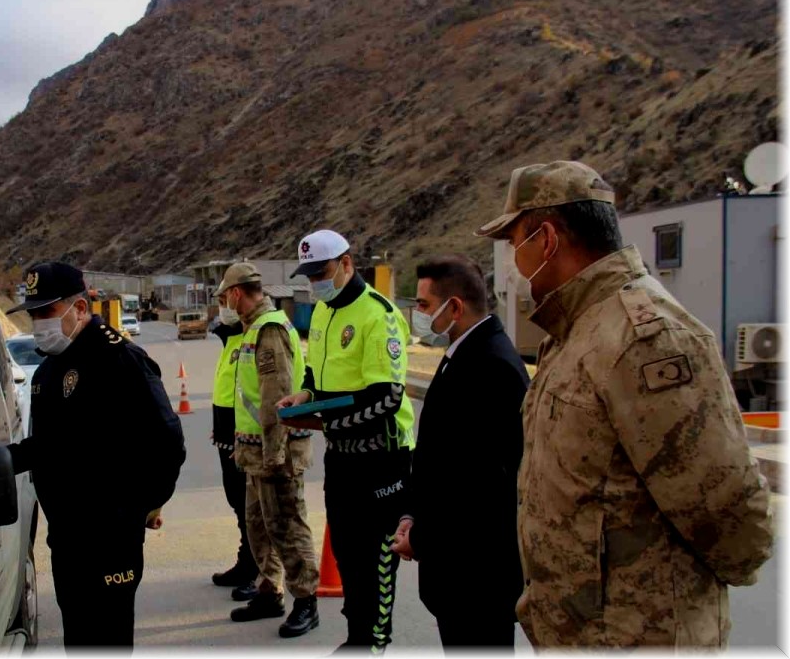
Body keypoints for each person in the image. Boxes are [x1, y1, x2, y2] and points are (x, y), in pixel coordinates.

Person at [475, 160, 774, 647]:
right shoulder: (574, 332)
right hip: (581, 633)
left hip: (637, 635)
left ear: (546, 240)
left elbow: (728, 510)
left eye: (515, 243)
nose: (514, 260)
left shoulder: (643, 339)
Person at [4, 262, 185, 649]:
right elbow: (49, 445)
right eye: (33, 314)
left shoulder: (120, 361)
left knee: (107, 640)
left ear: (81, 309)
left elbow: (167, 441)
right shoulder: (49, 371)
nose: (38, 324)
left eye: (46, 313)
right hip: (67, 538)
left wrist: (146, 505)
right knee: (80, 639)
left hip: (110, 539)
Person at [277, 230, 415, 654]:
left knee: (376, 560)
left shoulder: (379, 315)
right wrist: (304, 396)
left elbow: (386, 398)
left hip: (381, 459)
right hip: (342, 460)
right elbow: (318, 377)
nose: (315, 282)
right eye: (309, 275)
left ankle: (374, 642)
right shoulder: (321, 313)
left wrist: (329, 425)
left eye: (322, 272)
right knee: (349, 554)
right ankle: (356, 637)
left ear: (347, 264)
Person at [391, 255, 529, 651]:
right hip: (456, 567)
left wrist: (424, 537)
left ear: (454, 307)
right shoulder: (464, 352)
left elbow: (480, 484)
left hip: (477, 572)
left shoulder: (493, 365)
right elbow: (439, 457)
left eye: (423, 305)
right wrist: (411, 513)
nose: (418, 315)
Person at [218, 262, 320, 638]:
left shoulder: (269, 329)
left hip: (275, 453)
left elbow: (275, 396)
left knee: (287, 525)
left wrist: (274, 453)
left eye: (225, 295)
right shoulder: (251, 329)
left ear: (237, 293)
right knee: (259, 525)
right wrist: (244, 448)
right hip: (254, 452)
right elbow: (249, 398)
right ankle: (269, 591)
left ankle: (306, 601)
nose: (224, 303)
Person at [209, 291, 259, 601]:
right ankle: (247, 561)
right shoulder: (229, 339)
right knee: (239, 505)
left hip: (247, 439)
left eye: (226, 301)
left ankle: (260, 569)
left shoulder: (257, 335)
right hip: (227, 437)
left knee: (254, 508)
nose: (222, 309)